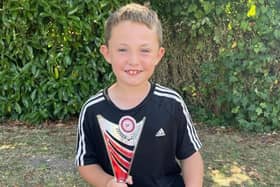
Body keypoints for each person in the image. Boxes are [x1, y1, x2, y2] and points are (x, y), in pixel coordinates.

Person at [75, 3, 203, 187]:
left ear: (158, 55)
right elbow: (85, 162)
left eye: (144, 50)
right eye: (122, 50)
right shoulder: (92, 109)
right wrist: (108, 182)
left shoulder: (171, 103)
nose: (133, 60)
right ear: (107, 53)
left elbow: (190, 156)